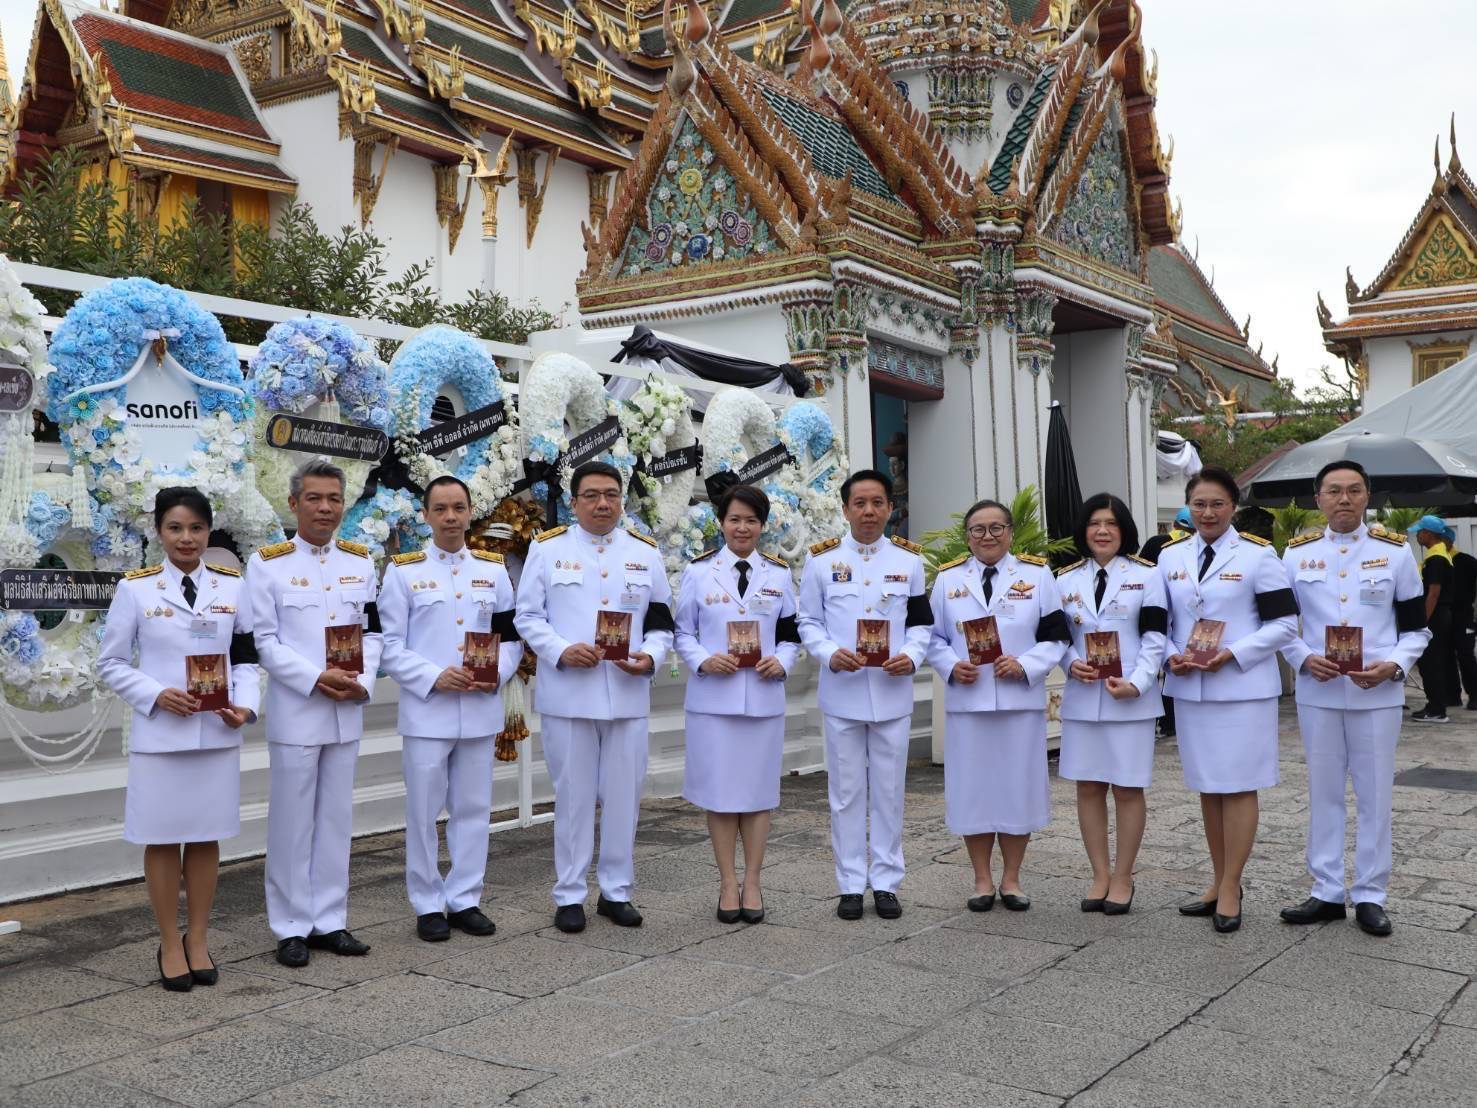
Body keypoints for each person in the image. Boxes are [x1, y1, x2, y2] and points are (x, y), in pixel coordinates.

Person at [98, 487, 259, 991]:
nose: (186, 538)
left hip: (215, 731)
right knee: (163, 837)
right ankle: (169, 941)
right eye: (175, 528)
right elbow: (110, 663)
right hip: (161, 736)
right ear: (159, 533)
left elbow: (248, 656)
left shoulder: (234, 586)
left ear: (209, 532)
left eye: (195, 528)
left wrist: (247, 705)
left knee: (206, 836)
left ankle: (199, 938)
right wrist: (155, 694)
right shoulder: (136, 589)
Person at [515, 461, 675, 933]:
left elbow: (662, 621)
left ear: (622, 499)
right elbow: (528, 618)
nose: (602, 504)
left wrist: (648, 656)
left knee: (625, 797)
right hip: (569, 693)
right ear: (574, 500)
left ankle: (616, 891)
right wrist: (561, 650)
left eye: (611, 494)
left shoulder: (644, 553)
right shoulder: (547, 550)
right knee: (574, 797)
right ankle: (569, 894)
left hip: (626, 694)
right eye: (591, 495)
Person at [1278, 461, 1430, 937]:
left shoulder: (1395, 553)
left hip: (1377, 692)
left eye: (1354, 491)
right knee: (1323, 793)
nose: (1344, 499)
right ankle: (1325, 890)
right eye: (1333, 491)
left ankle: (1370, 894)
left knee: (1374, 795)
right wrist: (1302, 657)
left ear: (1368, 497)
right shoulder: (1295, 555)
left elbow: (1416, 627)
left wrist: (1396, 665)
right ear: (1318, 499)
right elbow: (1281, 626)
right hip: (1319, 691)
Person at [248, 458, 383, 967]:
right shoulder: (268, 563)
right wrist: (313, 678)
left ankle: (330, 919)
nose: (325, 508)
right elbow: (264, 641)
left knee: (335, 820)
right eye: (314, 498)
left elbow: (372, 633)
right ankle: (289, 926)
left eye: (333, 499)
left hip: (346, 710)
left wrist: (363, 682)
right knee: (291, 822)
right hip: (299, 710)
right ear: (294, 503)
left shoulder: (360, 561)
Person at [379, 475, 523, 942]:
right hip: (428, 711)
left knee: (473, 808)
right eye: (440, 509)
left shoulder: (493, 569)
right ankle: (427, 902)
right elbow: (388, 646)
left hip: (479, 708)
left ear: (469, 512)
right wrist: (432, 676)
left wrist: (494, 674)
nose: (450, 517)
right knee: (423, 812)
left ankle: (465, 897)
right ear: (425, 515)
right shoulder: (404, 572)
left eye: (458, 508)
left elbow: (511, 638)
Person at [1160, 465, 1298, 933]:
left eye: (1217, 503)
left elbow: (1284, 625)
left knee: (1238, 785)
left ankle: (1232, 886)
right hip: (1192, 688)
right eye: (1199, 503)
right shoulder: (1170, 557)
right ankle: (1216, 881)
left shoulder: (1259, 556)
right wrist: (1170, 655)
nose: (1208, 512)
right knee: (1208, 786)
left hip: (1241, 689)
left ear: (1233, 507)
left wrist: (1232, 654)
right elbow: (1157, 626)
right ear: (1189, 507)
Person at [798, 469, 931, 920]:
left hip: (892, 694)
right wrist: (829, 653)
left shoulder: (910, 562)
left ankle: (887, 882)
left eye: (878, 503)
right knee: (846, 793)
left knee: (890, 792)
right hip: (843, 692)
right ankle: (851, 884)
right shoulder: (820, 563)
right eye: (860, 503)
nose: (869, 511)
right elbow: (807, 622)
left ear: (891, 509)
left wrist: (912, 656)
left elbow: (921, 624)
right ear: (845, 509)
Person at [926, 499, 1070, 913]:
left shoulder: (1037, 575)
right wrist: (952, 666)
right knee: (972, 790)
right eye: (978, 529)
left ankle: (1011, 878)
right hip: (968, 703)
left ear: (1009, 531)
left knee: (1016, 790)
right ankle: (981, 879)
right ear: (967, 535)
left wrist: (1025, 664)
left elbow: (1057, 637)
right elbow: (931, 638)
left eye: (996, 528)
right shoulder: (948, 579)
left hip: (1018, 703)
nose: (987, 536)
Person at [674, 484, 801, 923]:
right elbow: (682, 633)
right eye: (734, 519)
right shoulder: (699, 572)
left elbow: (790, 633)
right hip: (714, 702)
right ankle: (728, 882)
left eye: (750, 520)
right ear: (721, 524)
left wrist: (781, 663)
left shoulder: (779, 574)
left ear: (762, 526)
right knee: (722, 795)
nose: (742, 527)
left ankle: (754, 882)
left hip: (763, 700)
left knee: (758, 795)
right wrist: (704, 661)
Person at [1056, 494, 1167, 915]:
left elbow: (1156, 637)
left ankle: (1123, 876)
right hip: (1084, 698)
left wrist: (1138, 683)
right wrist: (1071, 664)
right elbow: (1058, 637)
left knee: (1127, 787)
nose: (1102, 531)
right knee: (1088, 786)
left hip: (1130, 700)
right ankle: (1099, 874)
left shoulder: (1147, 576)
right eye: (1094, 523)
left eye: (1111, 523)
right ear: (1083, 531)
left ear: (1124, 531)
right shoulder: (1063, 579)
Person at [1140, 505, 1191, 739]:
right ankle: (1170, 723)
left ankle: (1168, 722)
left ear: (1174, 525)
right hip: (1182, 621)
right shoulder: (1182, 548)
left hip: (1159, 614)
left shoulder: (1156, 543)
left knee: (1166, 672)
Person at [1409, 515, 1456, 723]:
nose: (1417, 535)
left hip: (1434, 617)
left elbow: (1434, 593)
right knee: (1432, 661)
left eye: (1419, 532)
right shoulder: (1439, 555)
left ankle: (1436, 709)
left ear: (1428, 533)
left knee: (1431, 662)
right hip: (1439, 616)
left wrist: (1423, 622)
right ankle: (1436, 705)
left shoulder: (1436, 559)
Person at [1448, 544, 1477, 710]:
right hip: (1445, 618)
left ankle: (1474, 695)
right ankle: (1452, 695)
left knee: (1466, 655)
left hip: (1465, 617)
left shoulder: (1468, 561)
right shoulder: (1437, 560)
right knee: (1446, 655)